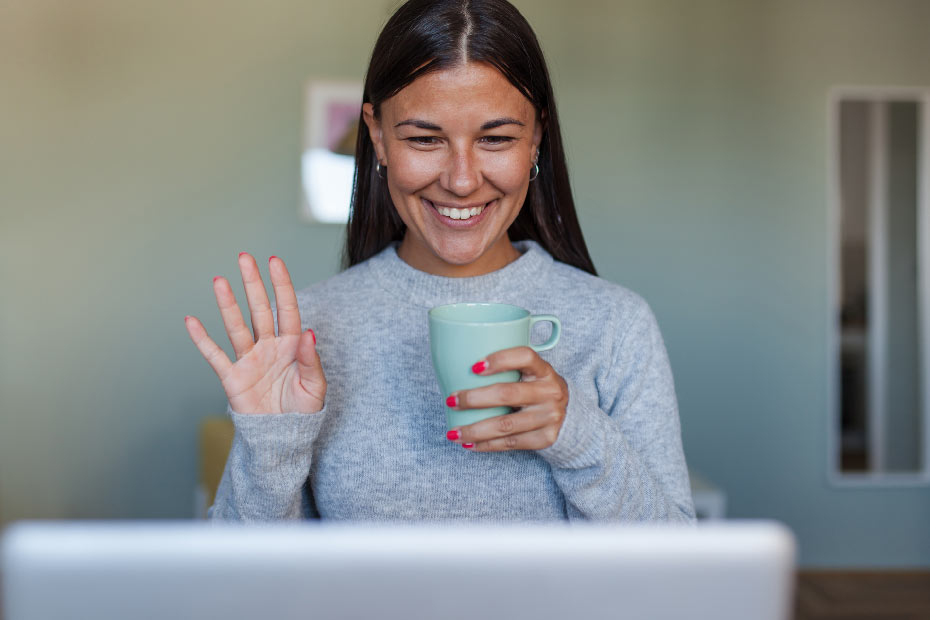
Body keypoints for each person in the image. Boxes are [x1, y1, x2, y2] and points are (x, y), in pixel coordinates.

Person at [184, 0, 695, 522]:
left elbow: (680, 565)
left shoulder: (616, 326)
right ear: (378, 137)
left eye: (496, 138)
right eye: (425, 139)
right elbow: (242, 573)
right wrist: (271, 449)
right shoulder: (308, 336)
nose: (462, 180)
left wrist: (578, 436)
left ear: (536, 137)